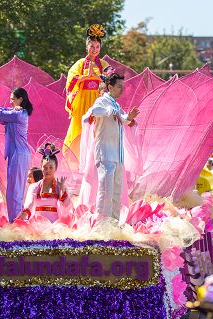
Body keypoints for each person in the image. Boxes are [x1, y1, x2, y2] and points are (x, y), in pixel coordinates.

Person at [82, 73, 139, 220]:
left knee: (116, 192)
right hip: (105, 153)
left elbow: (123, 119)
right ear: (110, 87)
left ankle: (113, 222)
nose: (122, 90)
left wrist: (130, 117)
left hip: (117, 156)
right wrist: (110, 111)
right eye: (119, 87)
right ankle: (102, 223)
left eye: (123, 87)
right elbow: (93, 112)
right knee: (105, 190)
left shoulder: (115, 103)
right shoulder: (102, 101)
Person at [64, 24, 109, 159]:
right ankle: (76, 161)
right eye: (92, 46)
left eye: (97, 47)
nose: (94, 50)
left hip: (98, 101)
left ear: (100, 48)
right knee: (79, 129)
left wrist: (96, 77)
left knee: (98, 130)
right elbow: (71, 80)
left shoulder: (104, 64)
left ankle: (96, 160)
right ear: (86, 47)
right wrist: (84, 77)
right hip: (82, 101)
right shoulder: (80, 63)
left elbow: (111, 79)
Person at [0, 87, 33, 223]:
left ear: (20, 99)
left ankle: (15, 222)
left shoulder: (19, 115)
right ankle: (18, 221)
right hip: (18, 153)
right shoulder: (16, 114)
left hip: (18, 154)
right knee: (15, 190)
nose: (10, 102)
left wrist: (10, 111)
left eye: (12, 99)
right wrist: (10, 109)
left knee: (14, 192)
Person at [18, 143, 71, 223]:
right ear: (41, 167)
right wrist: (25, 213)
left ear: (56, 168)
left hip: (55, 225)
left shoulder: (60, 186)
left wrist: (62, 189)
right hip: (37, 224)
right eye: (45, 167)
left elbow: (66, 206)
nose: (47, 170)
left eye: (50, 167)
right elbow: (30, 202)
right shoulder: (34, 186)